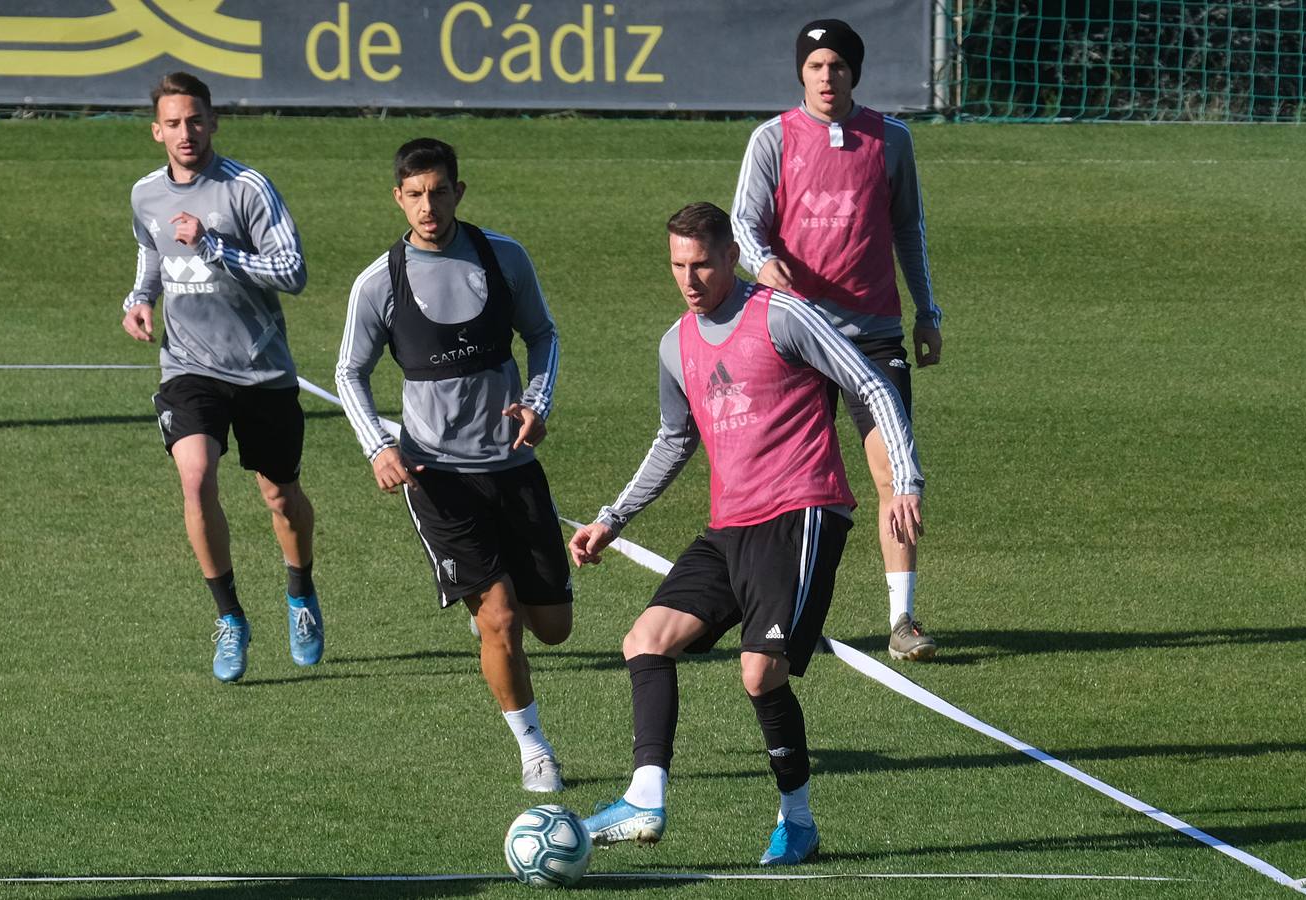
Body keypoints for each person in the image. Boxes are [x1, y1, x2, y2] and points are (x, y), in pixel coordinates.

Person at [570, 203, 923, 866]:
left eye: (700, 262)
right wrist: (612, 519)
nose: (689, 278)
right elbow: (673, 439)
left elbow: (869, 382)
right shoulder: (675, 343)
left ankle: (797, 822)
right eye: (677, 265)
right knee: (644, 641)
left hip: (802, 512)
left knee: (759, 675)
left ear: (730, 255)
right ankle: (645, 797)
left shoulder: (782, 315)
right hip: (728, 526)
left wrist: (904, 478)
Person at [335, 138, 572, 793]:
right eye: (414, 194)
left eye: (438, 191)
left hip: (512, 465)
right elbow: (348, 371)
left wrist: (538, 400)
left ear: (459, 192)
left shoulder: (502, 258)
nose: (427, 206)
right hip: (435, 476)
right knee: (499, 620)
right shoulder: (381, 280)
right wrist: (378, 447)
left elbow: (543, 335)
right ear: (398, 198)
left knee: (551, 627)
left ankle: (494, 606)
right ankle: (534, 749)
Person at [731, 18, 944, 661]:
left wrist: (927, 311)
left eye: (839, 66)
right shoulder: (772, 139)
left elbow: (909, 229)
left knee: (894, 472)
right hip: (796, 336)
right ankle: (768, 606)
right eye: (817, 66)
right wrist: (762, 264)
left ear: (855, 73)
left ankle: (903, 619)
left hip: (875, 335)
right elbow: (745, 222)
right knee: (786, 480)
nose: (828, 77)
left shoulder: (891, 140)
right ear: (802, 72)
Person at [121, 71, 323, 684]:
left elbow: (293, 272)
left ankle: (300, 594)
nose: (186, 132)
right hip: (187, 366)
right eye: (174, 123)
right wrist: (140, 296)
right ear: (157, 130)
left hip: (261, 371)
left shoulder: (248, 189)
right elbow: (152, 248)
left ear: (213, 121)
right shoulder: (145, 194)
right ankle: (230, 616)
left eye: (196, 120)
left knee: (279, 495)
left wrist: (214, 248)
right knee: (196, 475)